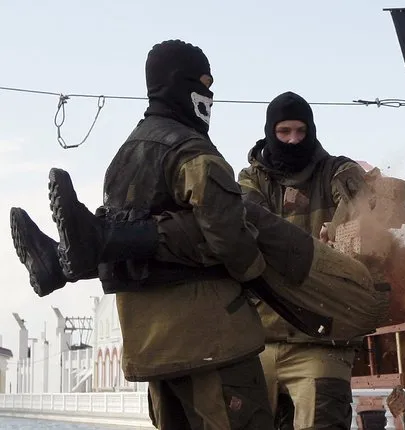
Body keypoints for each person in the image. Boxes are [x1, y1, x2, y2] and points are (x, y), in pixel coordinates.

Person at [44, 39, 275, 430]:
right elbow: (227, 234)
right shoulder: (190, 148)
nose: (210, 95)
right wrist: (255, 271)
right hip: (211, 340)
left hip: (151, 344)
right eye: (204, 83)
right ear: (178, 84)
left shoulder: (124, 156)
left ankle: (57, 260)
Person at [236, 91, 373, 429]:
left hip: (321, 339)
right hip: (260, 337)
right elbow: (247, 225)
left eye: (301, 131)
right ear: (271, 132)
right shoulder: (250, 179)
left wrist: (340, 228)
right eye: (284, 133)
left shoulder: (337, 171)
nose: (294, 140)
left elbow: (365, 204)